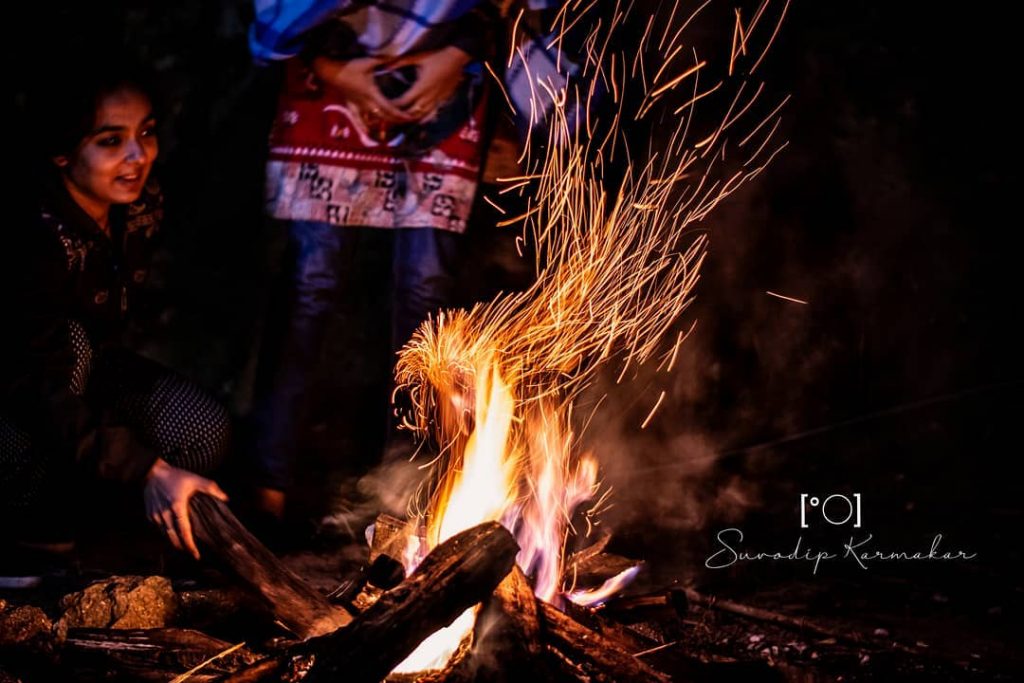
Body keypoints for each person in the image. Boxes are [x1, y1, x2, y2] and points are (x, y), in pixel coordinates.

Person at [246, 0, 498, 520]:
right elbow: (278, 18)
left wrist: (455, 53)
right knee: (308, 287)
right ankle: (266, 492)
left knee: (426, 298)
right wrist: (332, 68)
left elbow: (514, 13)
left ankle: (410, 496)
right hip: (328, 89)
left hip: (444, 91)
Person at [1, 58, 231, 568]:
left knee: (202, 431)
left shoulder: (140, 204)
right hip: (20, 396)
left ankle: (95, 518)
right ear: (62, 153)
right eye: (110, 141)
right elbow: (34, 385)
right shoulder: (32, 235)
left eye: (146, 133)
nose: (137, 156)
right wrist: (146, 468)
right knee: (73, 346)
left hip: (80, 380)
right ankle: (27, 538)